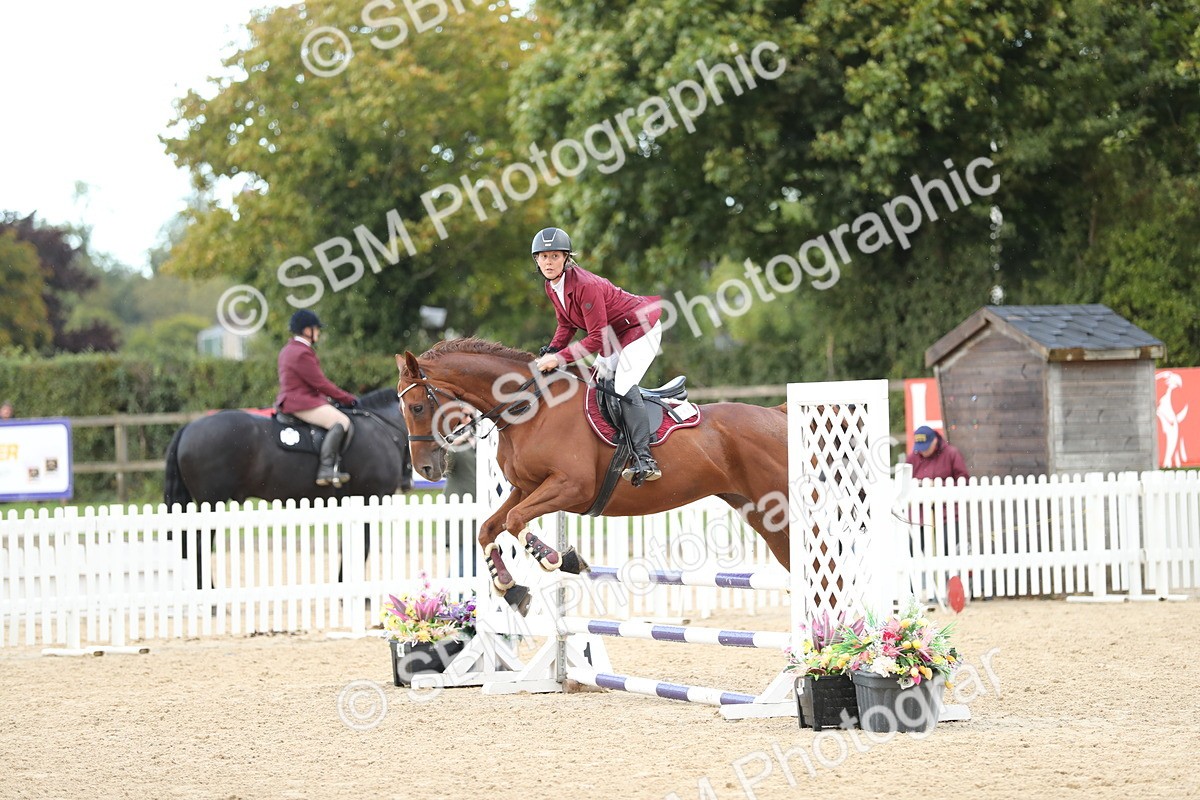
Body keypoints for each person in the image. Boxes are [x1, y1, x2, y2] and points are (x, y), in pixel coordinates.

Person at [530, 226, 664, 486]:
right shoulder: (552, 285)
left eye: (555, 256)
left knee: (622, 385)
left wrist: (558, 360)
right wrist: (552, 350)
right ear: (536, 259)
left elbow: (596, 338)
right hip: (614, 333)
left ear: (566, 258)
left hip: (641, 327)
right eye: (544, 257)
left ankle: (645, 460)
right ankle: (615, 446)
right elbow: (567, 325)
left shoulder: (586, 286)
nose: (549, 262)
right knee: (599, 382)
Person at [275, 309, 358, 486]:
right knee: (342, 422)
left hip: (294, 399)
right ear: (307, 330)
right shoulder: (302, 352)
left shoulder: (288, 349)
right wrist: (347, 398)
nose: (318, 332)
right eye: (316, 328)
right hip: (301, 402)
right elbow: (321, 383)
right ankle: (326, 468)